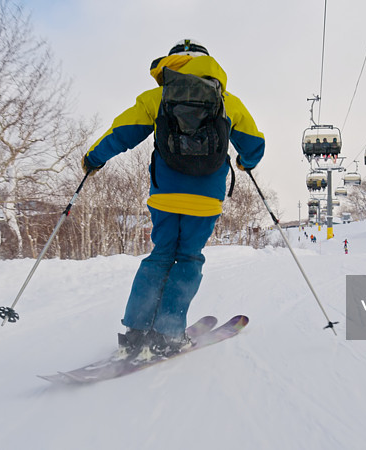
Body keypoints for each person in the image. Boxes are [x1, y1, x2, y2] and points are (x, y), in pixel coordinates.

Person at [82, 39, 265, 357]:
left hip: (165, 197)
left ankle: (137, 330)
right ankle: (168, 332)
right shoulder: (228, 102)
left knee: (161, 255)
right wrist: (244, 163)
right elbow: (254, 145)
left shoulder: (157, 97)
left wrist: (93, 159)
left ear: (171, 63)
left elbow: (120, 133)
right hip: (206, 201)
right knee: (189, 257)